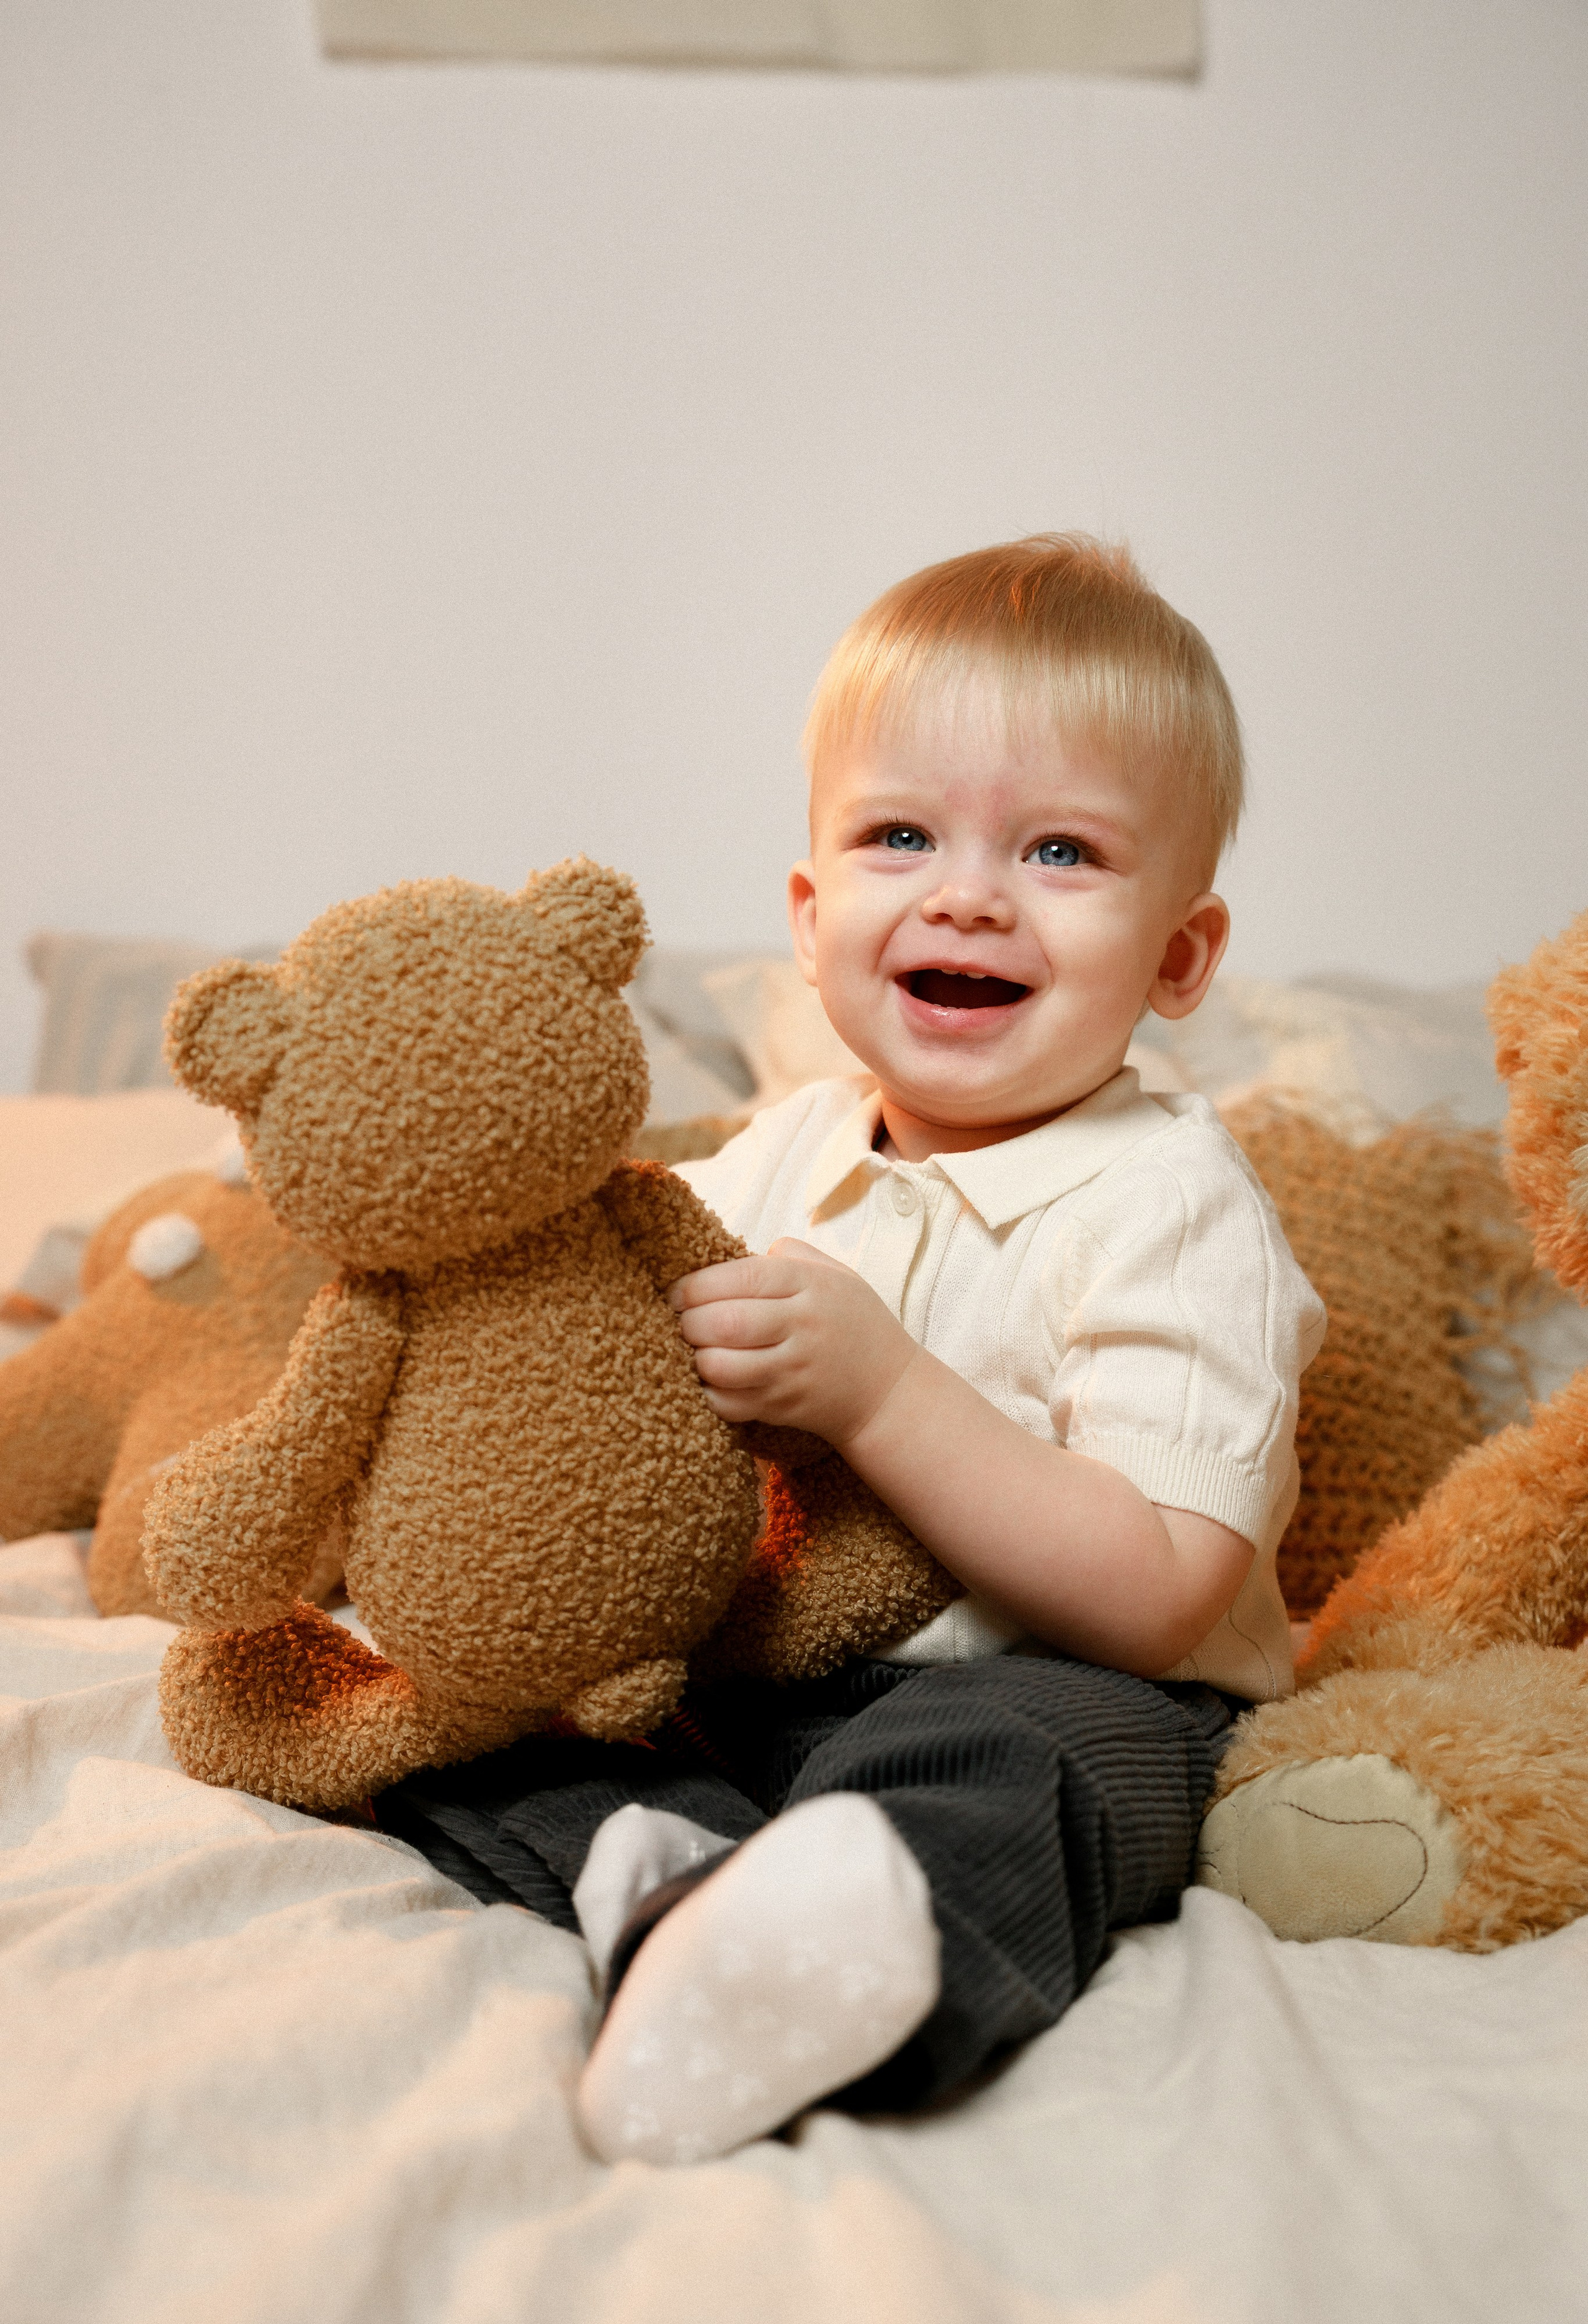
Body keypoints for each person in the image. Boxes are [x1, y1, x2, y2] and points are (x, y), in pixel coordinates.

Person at [376, 534, 1326, 2166]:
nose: (967, 893)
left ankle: (846, 1968)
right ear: (813, 918)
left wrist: (883, 1389)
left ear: (1179, 957)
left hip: (1070, 1692)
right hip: (762, 1691)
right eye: (902, 836)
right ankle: (679, 1893)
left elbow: (1170, 1582)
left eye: (1061, 852)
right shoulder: (776, 1157)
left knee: (1010, 1775)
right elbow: (612, 1373)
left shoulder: (1175, 1204)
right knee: (465, 1726)